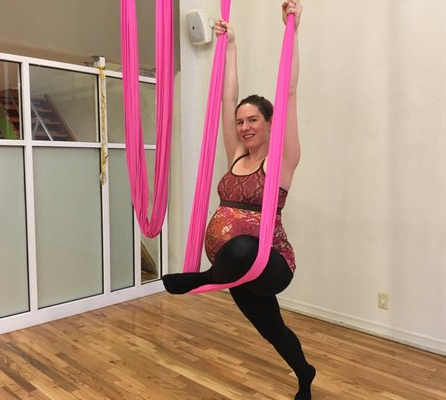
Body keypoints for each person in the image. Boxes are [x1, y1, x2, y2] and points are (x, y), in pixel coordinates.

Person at [162, 1, 315, 399]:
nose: (244, 126)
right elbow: (226, 99)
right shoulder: (236, 156)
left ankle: (202, 280)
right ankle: (305, 373)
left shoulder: (281, 160)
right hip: (233, 269)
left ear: (269, 124)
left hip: (269, 262)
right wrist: (229, 47)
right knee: (274, 331)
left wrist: (291, 31)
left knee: (244, 244)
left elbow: (292, 91)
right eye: (240, 122)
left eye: (253, 120)